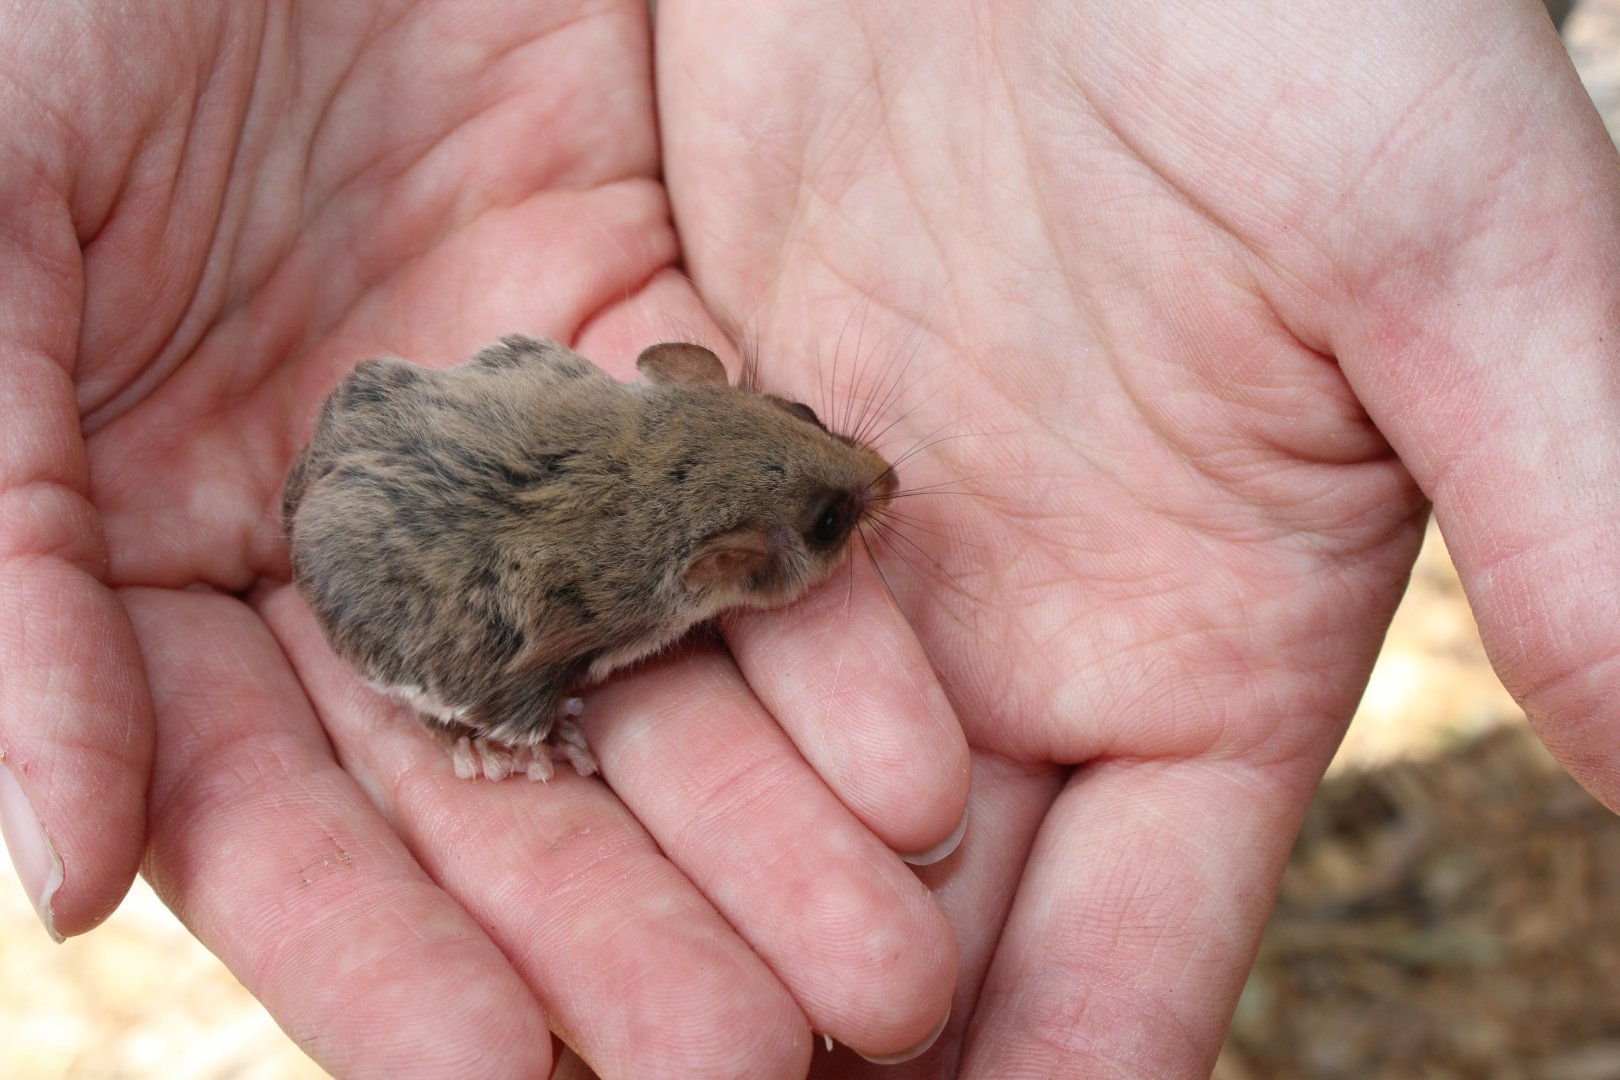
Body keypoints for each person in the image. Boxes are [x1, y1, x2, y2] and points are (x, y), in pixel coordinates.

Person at [2, 1, 1614, 1075]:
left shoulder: (657, 428)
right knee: (480, 660)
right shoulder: (637, 592)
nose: (869, 496)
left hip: (403, 430)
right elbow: (518, 635)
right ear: (730, 575)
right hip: (392, 556)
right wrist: (528, 724)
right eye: (831, 511)